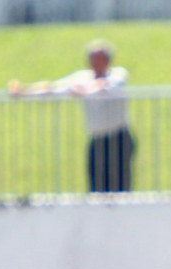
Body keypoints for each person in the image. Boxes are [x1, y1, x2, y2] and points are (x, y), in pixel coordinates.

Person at [8, 40, 133, 193]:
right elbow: (53, 88)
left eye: (99, 59)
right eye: (92, 59)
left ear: (108, 61)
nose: (95, 63)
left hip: (118, 138)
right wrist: (23, 92)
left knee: (121, 186)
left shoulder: (118, 74)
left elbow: (103, 87)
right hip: (97, 139)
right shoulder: (82, 78)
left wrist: (84, 91)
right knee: (96, 188)